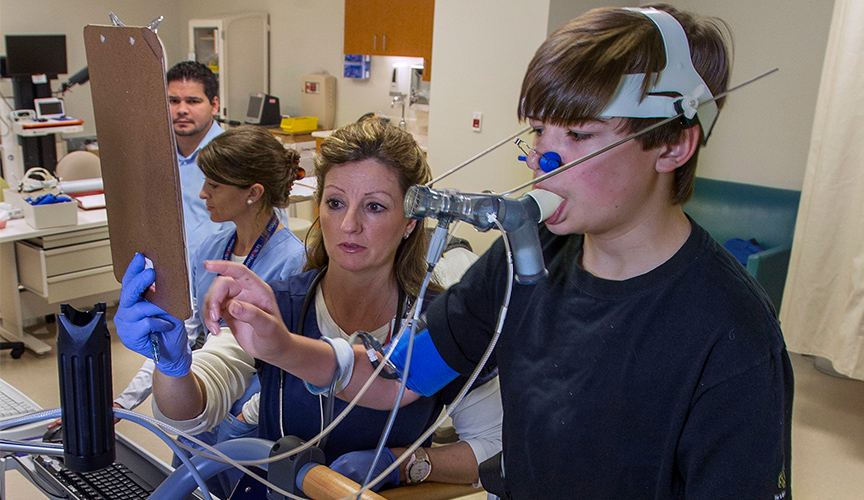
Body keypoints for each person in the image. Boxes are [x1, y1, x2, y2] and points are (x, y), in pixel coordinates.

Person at [199, 5, 794, 499]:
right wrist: (280, 344)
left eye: (579, 135)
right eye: (538, 132)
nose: (544, 161)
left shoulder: (731, 335)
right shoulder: (521, 262)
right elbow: (397, 381)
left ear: (673, 145)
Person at [116, 119, 502, 493]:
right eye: (335, 202)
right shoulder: (277, 305)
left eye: (374, 207)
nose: (349, 224)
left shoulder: (443, 324)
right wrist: (172, 366)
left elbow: (493, 448)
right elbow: (190, 415)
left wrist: (404, 464)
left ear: (410, 222)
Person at [110, 126, 307, 481]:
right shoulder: (213, 249)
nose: (202, 193)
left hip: (251, 422)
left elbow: (293, 367)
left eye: (214, 185)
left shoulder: (294, 263)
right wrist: (126, 399)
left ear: (253, 192)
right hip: (198, 398)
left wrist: (243, 419)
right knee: (189, 485)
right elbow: (181, 333)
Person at [167, 60, 228, 262]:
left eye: (193, 101)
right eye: (173, 101)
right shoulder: (156, 157)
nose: (182, 110)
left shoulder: (234, 157)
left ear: (214, 105)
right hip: (167, 273)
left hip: (220, 276)